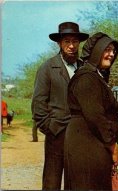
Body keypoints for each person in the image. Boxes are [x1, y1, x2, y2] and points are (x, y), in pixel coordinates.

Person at [31, 22, 89, 189]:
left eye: (75, 42)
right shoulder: (47, 68)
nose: (71, 46)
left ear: (79, 43)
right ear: (59, 43)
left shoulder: (84, 68)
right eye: (67, 42)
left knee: (77, 181)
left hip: (80, 135)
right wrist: (50, 127)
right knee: (52, 182)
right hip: (56, 133)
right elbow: (38, 103)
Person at [64, 32, 118, 190]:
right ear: (96, 52)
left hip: (93, 145)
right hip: (86, 148)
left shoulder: (96, 77)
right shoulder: (87, 78)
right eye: (107, 49)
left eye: (113, 51)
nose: (111, 54)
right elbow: (96, 117)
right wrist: (113, 146)